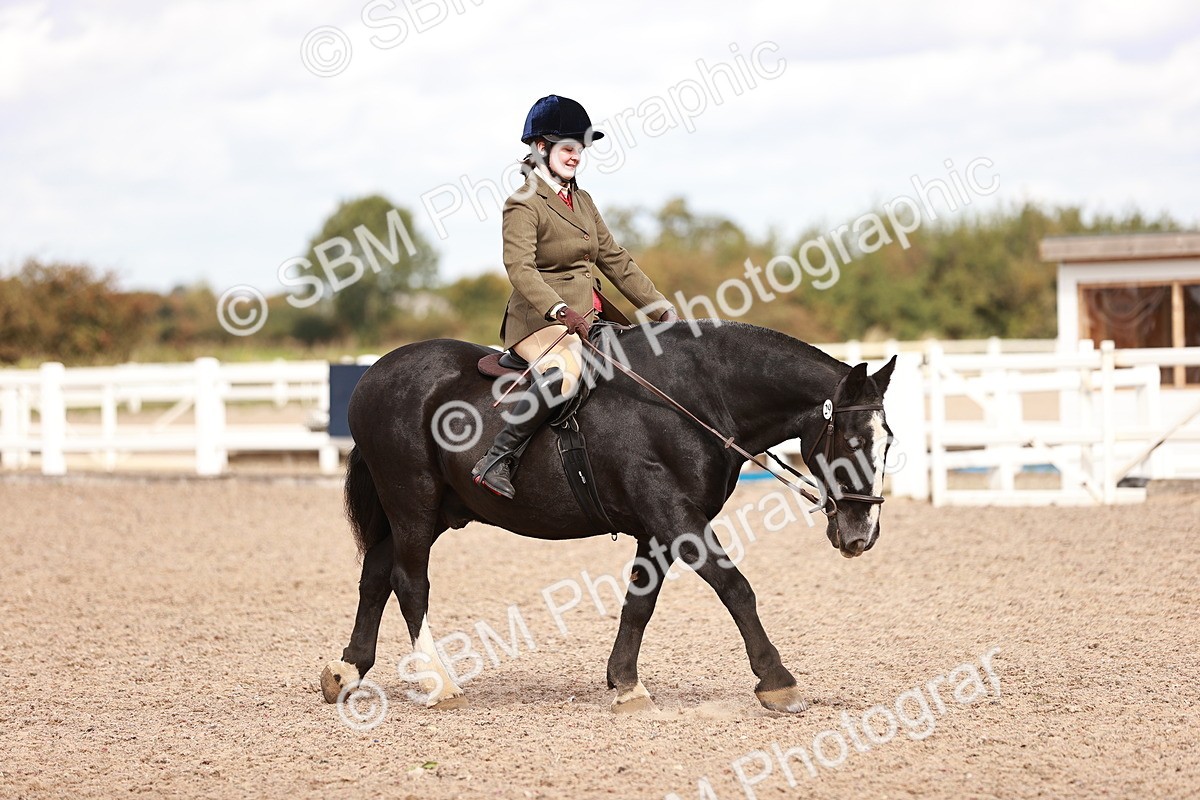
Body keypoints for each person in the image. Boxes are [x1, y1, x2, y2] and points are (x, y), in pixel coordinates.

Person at [471, 94, 679, 500]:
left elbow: (615, 259)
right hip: (539, 320)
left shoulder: (582, 201)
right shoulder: (523, 203)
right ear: (541, 148)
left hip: (588, 317)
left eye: (580, 150)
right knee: (565, 373)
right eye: (568, 148)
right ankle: (496, 459)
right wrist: (558, 308)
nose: (576, 157)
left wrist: (661, 309)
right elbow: (520, 268)